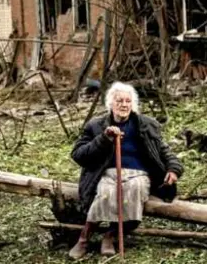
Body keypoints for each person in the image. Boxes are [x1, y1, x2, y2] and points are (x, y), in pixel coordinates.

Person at [69, 81, 184, 259]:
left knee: (134, 190)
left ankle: (110, 236)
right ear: (110, 104)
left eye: (128, 101)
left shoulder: (146, 125)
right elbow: (78, 155)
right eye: (119, 101)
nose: (124, 105)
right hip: (107, 173)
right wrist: (104, 138)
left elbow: (163, 150)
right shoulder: (96, 125)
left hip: (138, 174)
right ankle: (84, 239)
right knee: (106, 191)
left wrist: (173, 169)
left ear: (133, 104)